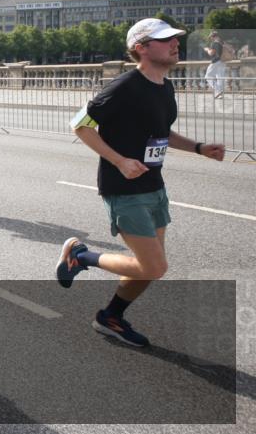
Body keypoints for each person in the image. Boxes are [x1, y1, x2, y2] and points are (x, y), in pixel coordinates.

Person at [60, 18, 225, 347]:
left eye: (175, 39)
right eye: (165, 40)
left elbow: (161, 133)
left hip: (154, 186)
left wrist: (198, 148)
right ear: (141, 48)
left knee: (146, 268)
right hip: (124, 189)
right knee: (154, 266)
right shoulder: (124, 87)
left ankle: (111, 317)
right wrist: (119, 161)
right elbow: (80, 125)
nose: (175, 44)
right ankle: (81, 255)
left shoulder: (165, 86)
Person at [204, 31, 227, 99]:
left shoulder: (214, 43)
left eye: (211, 37)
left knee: (207, 76)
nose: (211, 39)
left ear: (213, 36)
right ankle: (219, 94)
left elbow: (211, 53)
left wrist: (207, 49)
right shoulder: (222, 42)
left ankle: (218, 90)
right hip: (223, 61)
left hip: (216, 61)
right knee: (220, 77)